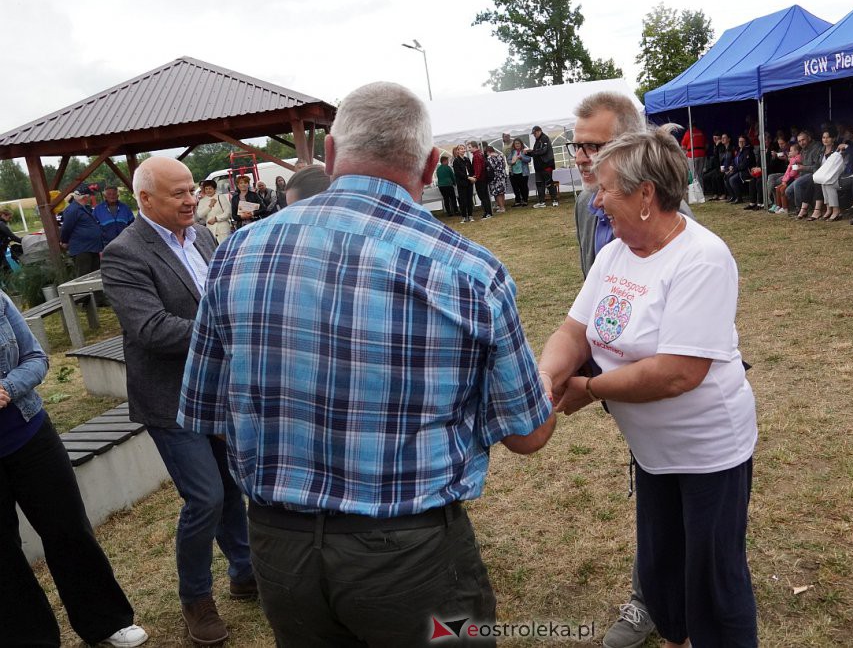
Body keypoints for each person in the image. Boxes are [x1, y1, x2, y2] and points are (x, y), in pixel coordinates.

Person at [178, 81, 556, 647]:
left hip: (280, 550)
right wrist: (548, 380)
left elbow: (204, 406)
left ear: (329, 155)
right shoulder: (470, 271)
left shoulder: (237, 251)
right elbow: (528, 434)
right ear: (430, 165)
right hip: (413, 555)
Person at [541, 128, 758, 648]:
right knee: (663, 571)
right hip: (652, 450)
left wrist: (590, 389)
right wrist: (546, 379)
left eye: (606, 188)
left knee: (713, 581)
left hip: (706, 452)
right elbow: (574, 329)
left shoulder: (701, 257)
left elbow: (678, 372)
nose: (596, 200)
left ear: (645, 195)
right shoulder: (616, 253)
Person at [102, 157, 256, 646]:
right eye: (178, 193)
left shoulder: (203, 237)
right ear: (145, 199)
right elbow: (150, 330)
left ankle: (246, 571)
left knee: (231, 485)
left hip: (214, 388)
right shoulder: (123, 254)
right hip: (169, 399)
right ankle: (196, 599)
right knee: (205, 497)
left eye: (193, 189)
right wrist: (231, 328)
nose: (191, 198)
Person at [570, 95, 692, 648]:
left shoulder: (680, 232)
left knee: (673, 496)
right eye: (577, 145)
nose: (582, 158)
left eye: (595, 147)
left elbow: (673, 359)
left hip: (665, 394)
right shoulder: (586, 205)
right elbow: (591, 304)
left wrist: (593, 386)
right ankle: (663, 593)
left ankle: (657, 600)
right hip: (616, 381)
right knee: (646, 480)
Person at [0, 291, 149, 648]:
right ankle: (30, 640)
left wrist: (6, 387)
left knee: (68, 529)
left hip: (29, 433)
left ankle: (105, 621)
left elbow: (36, 358)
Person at [60, 188, 104, 276]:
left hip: (92, 247)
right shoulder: (73, 210)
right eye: (89, 196)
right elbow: (66, 228)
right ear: (85, 197)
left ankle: (97, 290)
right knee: (84, 276)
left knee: (95, 274)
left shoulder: (82, 208)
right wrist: (64, 241)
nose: (90, 198)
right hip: (82, 248)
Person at [194, 179, 234, 244]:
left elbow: (228, 212)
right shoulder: (202, 201)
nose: (208, 191)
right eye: (206, 189)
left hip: (222, 228)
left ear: (214, 189)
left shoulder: (220, 197)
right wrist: (209, 206)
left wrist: (216, 219)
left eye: (210, 188)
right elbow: (200, 215)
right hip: (211, 229)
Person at [527, 125, 558, 207]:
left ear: (539, 131)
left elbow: (543, 151)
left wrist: (532, 151)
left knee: (549, 183)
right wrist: (529, 153)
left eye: (535, 133)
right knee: (539, 184)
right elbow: (536, 153)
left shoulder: (544, 138)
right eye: (533, 133)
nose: (534, 135)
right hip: (538, 167)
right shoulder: (537, 140)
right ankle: (541, 202)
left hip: (546, 165)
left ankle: (554, 200)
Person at [468, 140, 493, 219]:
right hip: (483, 178)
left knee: (483, 196)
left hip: (480, 179)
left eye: (470, 147)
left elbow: (478, 168)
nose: (469, 149)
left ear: (474, 147)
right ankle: (488, 212)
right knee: (485, 196)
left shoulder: (476, 155)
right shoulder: (480, 154)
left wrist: (476, 177)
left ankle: (487, 213)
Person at [452, 143, 476, 223]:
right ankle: (464, 216)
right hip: (461, 183)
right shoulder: (456, 161)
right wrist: (468, 177)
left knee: (470, 200)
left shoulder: (467, 159)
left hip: (469, 183)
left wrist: (473, 177)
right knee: (463, 200)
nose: (463, 150)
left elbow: (471, 170)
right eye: (461, 149)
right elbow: (458, 173)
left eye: (463, 148)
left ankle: (470, 215)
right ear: (458, 151)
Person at [509, 138, 532, 207]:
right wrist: (512, 162)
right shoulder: (512, 152)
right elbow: (508, 160)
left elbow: (529, 159)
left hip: (523, 172)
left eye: (518, 143)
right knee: (515, 188)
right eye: (516, 143)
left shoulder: (524, 151)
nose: (517, 145)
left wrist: (521, 157)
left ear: (521, 144)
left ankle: (525, 200)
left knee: (523, 187)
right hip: (514, 172)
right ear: (514, 145)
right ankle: (518, 201)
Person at [485, 144, 509, 213]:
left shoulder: (490, 158)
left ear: (488, 151)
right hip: (502, 176)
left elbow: (491, 167)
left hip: (495, 177)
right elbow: (504, 165)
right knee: (502, 192)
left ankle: (501, 207)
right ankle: (503, 206)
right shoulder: (500, 156)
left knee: (497, 193)